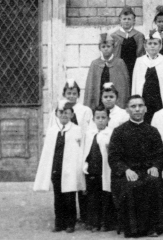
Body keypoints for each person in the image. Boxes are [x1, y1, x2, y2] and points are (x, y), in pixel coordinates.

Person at [108, 95, 163, 238]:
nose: (137, 109)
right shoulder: (119, 131)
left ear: (145, 109)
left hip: (147, 171)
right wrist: (126, 170)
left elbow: (160, 155)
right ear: (127, 109)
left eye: (140, 106)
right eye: (133, 106)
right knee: (131, 185)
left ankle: (152, 227)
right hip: (127, 173)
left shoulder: (152, 131)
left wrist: (155, 167)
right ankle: (134, 229)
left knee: (153, 182)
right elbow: (114, 157)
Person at [33, 100, 85, 233]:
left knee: (69, 196)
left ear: (72, 114)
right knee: (58, 196)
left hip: (70, 169)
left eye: (67, 112)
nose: (64, 115)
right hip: (56, 167)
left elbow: (79, 150)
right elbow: (48, 152)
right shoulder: (52, 131)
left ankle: (70, 223)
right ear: (56, 114)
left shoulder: (76, 130)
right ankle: (59, 222)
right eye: (61, 112)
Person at [46, 80, 91, 225]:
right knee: (64, 188)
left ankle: (84, 216)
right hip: (63, 151)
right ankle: (63, 219)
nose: (71, 96)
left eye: (74, 93)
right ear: (64, 94)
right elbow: (53, 129)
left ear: (78, 95)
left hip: (79, 148)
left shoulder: (85, 110)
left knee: (80, 185)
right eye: (68, 93)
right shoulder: (59, 109)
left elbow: (87, 130)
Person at [82, 105, 116, 232]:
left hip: (105, 170)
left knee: (106, 196)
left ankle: (106, 223)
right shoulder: (89, 133)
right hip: (92, 169)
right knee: (93, 197)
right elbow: (86, 150)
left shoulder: (111, 133)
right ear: (93, 119)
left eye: (103, 117)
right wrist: (85, 164)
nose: (100, 120)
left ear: (108, 119)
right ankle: (93, 222)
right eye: (98, 117)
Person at [131, 30, 163, 124]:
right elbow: (136, 83)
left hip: (159, 99)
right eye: (149, 43)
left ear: (160, 46)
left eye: (155, 43)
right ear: (145, 46)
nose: (152, 46)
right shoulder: (139, 61)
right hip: (145, 99)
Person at [84, 33, 130, 109]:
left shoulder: (119, 63)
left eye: (108, 46)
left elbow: (124, 87)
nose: (106, 49)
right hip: (99, 102)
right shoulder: (95, 64)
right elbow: (90, 86)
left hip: (115, 103)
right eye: (103, 46)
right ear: (99, 48)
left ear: (113, 47)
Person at [110, 6, 145, 85]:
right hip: (119, 68)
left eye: (129, 19)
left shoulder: (139, 36)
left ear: (134, 21)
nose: (126, 21)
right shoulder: (114, 36)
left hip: (135, 67)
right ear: (120, 21)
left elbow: (141, 53)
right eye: (124, 19)